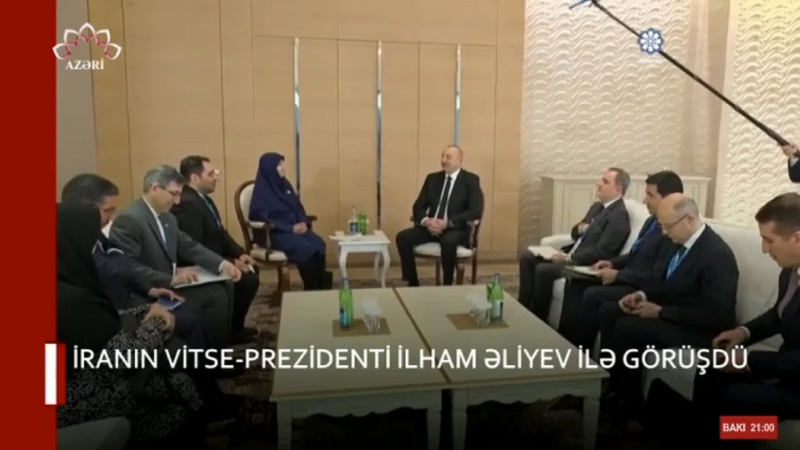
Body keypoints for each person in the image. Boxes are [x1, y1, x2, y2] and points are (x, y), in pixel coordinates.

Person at [56, 203, 206, 448]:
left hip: (66, 384)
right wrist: (157, 321)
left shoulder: (63, 286)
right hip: (68, 400)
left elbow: (102, 324)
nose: (96, 249)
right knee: (178, 385)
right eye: (91, 242)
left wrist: (144, 311)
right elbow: (123, 358)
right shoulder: (70, 301)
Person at [600, 194, 739, 415]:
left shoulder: (716, 254)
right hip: (676, 314)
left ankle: (629, 403)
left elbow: (718, 314)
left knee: (629, 328)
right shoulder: (678, 241)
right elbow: (667, 282)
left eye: (668, 226)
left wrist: (662, 312)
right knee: (611, 310)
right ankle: (609, 384)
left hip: (700, 330)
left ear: (689, 219)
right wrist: (642, 295)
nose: (664, 233)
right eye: (661, 226)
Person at [693, 192, 800, 439]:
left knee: (737, 399)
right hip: (788, 371)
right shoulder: (790, 271)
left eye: (769, 240)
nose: (764, 249)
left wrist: (748, 361)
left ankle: (730, 434)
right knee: (710, 367)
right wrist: (744, 332)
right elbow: (780, 314)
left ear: (797, 238)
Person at [61, 173, 208, 351]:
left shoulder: (96, 238)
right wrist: (152, 317)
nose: (112, 217)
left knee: (191, 310)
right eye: (108, 210)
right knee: (183, 329)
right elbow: (110, 342)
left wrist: (149, 289)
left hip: (130, 304)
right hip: (117, 321)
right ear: (85, 210)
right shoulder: (74, 253)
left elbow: (125, 265)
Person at [110, 165, 240, 350]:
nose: (177, 201)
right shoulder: (130, 219)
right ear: (155, 188)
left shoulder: (167, 217)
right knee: (215, 296)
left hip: (168, 285)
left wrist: (222, 264)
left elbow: (188, 246)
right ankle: (209, 357)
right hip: (147, 291)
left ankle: (216, 353)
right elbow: (128, 266)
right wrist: (169, 278)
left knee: (224, 287)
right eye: (174, 194)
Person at [559, 171, 683, 348]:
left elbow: (656, 275)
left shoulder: (672, 231)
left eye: (650, 195)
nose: (645, 201)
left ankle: (582, 350)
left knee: (593, 295)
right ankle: (566, 343)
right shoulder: (651, 221)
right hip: (628, 276)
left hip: (639, 285)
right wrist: (613, 263)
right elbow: (634, 253)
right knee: (577, 282)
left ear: (669, 198)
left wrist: (618, 275)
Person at [519, 167, 631, 320]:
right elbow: (575, 233)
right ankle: (524, 307)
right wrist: (579, 228)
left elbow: (602, 251)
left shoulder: (619, 216)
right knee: (527, 256)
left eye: (605, 182)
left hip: (584, 263)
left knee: (543, 270)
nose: (598, 184)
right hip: (571, 254)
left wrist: (568, 258)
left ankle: (538, 316)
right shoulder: (597, 207)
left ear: (618, 189)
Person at [172, 156, 259, 344]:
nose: (216, 177)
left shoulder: (204, 200)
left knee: (251, 271)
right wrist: (229, 262)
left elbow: (220, 233)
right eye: (211, 174)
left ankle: (234, 328)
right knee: (247, 279)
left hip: (216, 256)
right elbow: (195, 246)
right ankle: (229, 332)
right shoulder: (187, 204)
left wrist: (240, 253)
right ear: (195, 178)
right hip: (198, 265)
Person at [395, 145, 484, 286]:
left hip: (456, 229)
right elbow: (418, 206)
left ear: (460, 160)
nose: (443, 160)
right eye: (442, 156)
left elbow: (475, 211)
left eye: (448, 157)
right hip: (431, 227)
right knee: (403, 237)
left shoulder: (470, 180)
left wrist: (447, 223)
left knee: (448, 242)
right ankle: (413, 282)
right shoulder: (432, 179)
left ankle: (447, 284)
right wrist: (427, 221)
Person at [249, 152, 330, 290]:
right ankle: (312, 289)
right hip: (273, 234)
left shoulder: (285, 185)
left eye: (283, 164)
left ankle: (322, 289)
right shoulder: (262, 191)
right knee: (305, 248)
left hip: (294, 230)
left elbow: (297, 207)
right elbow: (261, 218)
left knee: (319, 243)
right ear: (270, 168)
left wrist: (303, 222)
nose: (283, 168)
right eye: (279, 165)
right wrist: (290, 228)